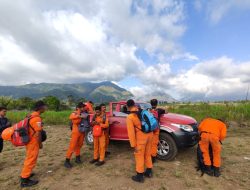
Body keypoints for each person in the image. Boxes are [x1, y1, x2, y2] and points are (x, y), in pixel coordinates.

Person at [20, 101, 47, 188]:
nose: (45, 108)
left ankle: (26, 174)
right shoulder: (36, 118)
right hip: (33, 142)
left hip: (29, 141)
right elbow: (38, 133)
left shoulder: (31, 115)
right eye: (44, 107)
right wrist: (40, 144)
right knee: (31, 159)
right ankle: (24, 180)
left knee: (29, 158)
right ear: (40, 108)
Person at [126, 99, 153, 183]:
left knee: (139, 155)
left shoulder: (130, 117)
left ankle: (140, 176)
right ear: (134, 104)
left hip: (141, 138)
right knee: (148, 154)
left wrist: (133, 145)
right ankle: (149, 171)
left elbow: (131, 133)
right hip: (150, 134)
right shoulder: (142, 111)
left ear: (127, 107)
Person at [64, 102, 87, 168]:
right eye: (83, 107)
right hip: (75, 132)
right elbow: (71, 117)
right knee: (72, 146)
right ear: (79, 107)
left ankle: (77, 158)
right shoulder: (74, 113)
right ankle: (67, 161)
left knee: (79, 145)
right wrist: (79, 116)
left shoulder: (84, 113)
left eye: (84, 107)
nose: (84, 108)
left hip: (82, 131)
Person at [149, 99, 160, 163]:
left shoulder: (148, 110)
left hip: (150, 129)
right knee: (154, 144)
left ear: (150, 104)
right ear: (157, 104)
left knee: (149, 143)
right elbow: (166, 111)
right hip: (156, 129)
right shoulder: (159, 110)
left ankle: (149, 156)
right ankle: (153, 158)